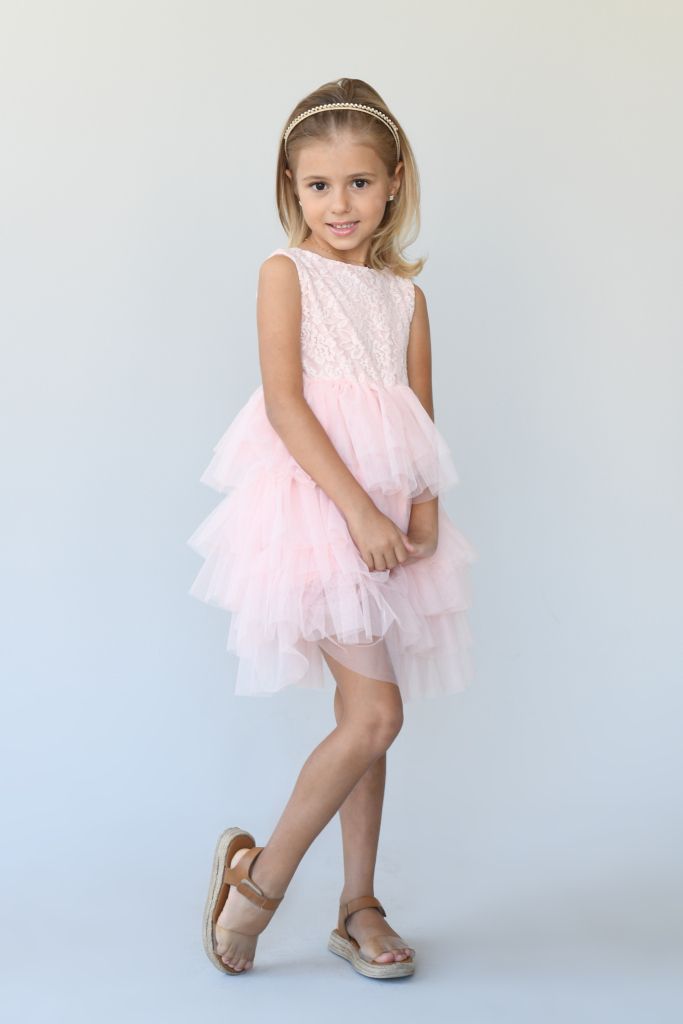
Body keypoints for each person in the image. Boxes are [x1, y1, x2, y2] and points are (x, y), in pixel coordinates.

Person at [187, 77, 478, 980]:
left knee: (366, 718)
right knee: (378, 714)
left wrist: (422, 509)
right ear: (291, 185)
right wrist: (354, 510)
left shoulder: (404, 299)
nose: (339, 204)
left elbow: (417, 412)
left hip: (387, 521)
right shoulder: (287, 273)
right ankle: (258, 881)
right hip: (315, 511)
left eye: (358, 183)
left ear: (394, 183)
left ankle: (358, 906)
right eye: (318, 185)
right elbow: (284, 403)